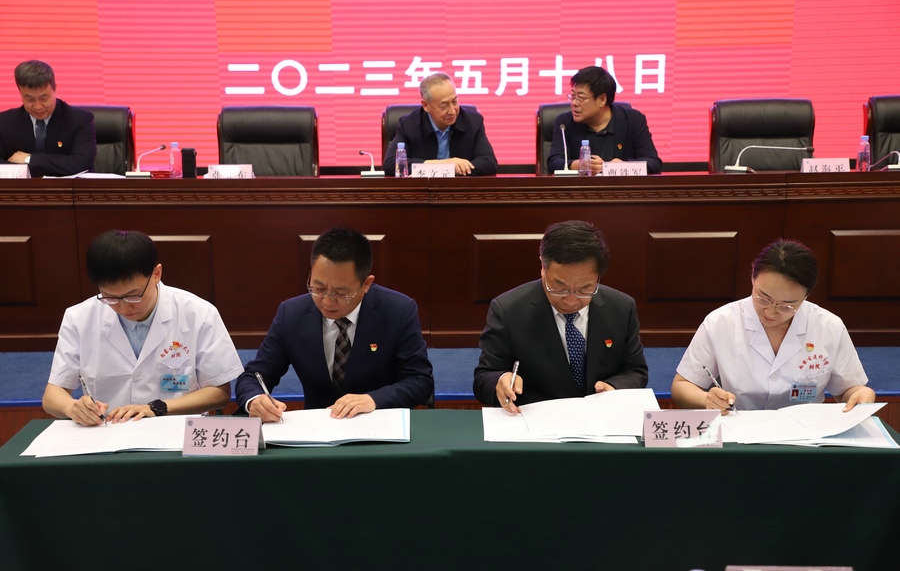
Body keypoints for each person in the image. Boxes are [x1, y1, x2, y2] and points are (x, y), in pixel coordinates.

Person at [42, 230, 243, 426]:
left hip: (175, 429)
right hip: (108, 431)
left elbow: (219, 393)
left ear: (156, 274)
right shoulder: (79, 318)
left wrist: (156, 408)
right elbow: (52, 395)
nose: (123, 308)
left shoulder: (199, 313)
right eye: (110, 298)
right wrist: (72, 408)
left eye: (133, 296)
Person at [234, 227, 434, 422]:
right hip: (317, 431)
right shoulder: (292, 314)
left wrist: (373, 399)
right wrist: (255, 400)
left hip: (379, 426)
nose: (327, 301)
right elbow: (253, 376)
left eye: (341, 293)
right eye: (318, 288)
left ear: (366, 284)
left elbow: (420, 381)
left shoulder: (397, 311)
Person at [671, 239, 876, 413]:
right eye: (763, 298)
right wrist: (707, 399)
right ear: (752, 278)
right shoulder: (721, 321)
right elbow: (682, 386)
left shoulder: (829, 326)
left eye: (786, 306)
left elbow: (848, 389)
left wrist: (862, 394)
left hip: (805, 437)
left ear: (807, 296)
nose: (770, 312)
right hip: (739, 430)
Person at [474, 220, 648, 412]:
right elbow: (484, 377)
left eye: (584, 289)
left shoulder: (621, 308)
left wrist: (614, 388)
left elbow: (635, 370)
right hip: (536, 420)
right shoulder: (508, 310)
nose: (571, 300)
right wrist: (500, 380)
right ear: (543, 266)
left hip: (601, 418)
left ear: (598, 276)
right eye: (559, 287)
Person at [547, 66, 662, 175]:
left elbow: (653, 162)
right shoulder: (564, 123)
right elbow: (553, 162)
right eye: (573, 96)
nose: (574, 103)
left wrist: (621, 167)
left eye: (581, 98)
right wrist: (576, 165)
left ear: (602, 100)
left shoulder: (633, 120)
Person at [383, 72, 498, 176]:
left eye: (454, 101)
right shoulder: (409, 125)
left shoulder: (473, 122)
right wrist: (443, 164)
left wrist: (452, 169)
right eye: (444, 106)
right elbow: (391, 164)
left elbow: (489, 163)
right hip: (423, 191)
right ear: (426, 105)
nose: (452, 111)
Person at [0, 60, 96, 177]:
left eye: (43, 98)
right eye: (30, 99)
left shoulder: (80, 120)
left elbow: (81, 162)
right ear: (20, 92)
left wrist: (29, 159)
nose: (38, 106)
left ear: (54, 89)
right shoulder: (4, 123)